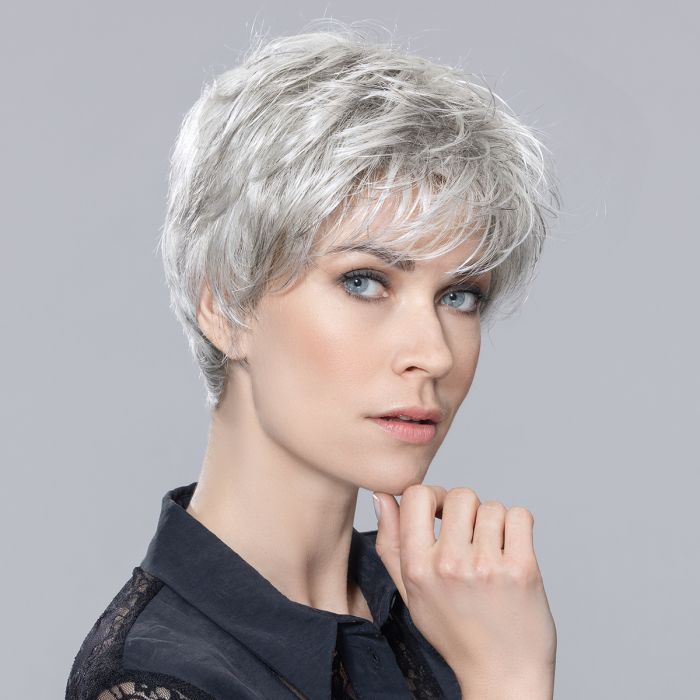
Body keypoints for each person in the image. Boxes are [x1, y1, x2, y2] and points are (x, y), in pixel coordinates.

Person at [66, 21, 560, 700]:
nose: (434, 353)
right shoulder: (155, 680)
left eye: (459, 295)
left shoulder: (451, 608)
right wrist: (508, 677)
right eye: (364, 281)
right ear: (225, 305)